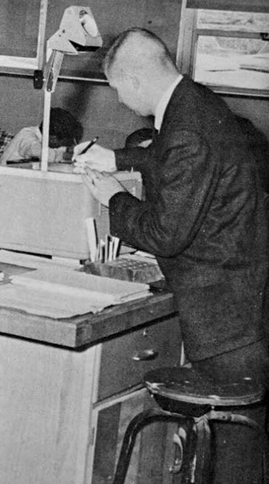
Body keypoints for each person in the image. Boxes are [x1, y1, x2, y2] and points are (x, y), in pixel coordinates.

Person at [75, 28, 269, 483]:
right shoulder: (195, 103)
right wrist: (120, 159)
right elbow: (176, 161)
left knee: (233, 459)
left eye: (119, 88)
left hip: (226, 320)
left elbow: (164, 233)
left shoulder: (184, 127)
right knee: (243, 448)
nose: (121, 100)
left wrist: (114, 199)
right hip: (245, 301)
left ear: (136, 80)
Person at [0, 108, 83, 164]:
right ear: (53, 138)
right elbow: (39, 151)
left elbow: (53, 149)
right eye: (63, 143)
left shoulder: (43, 136)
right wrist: (65, 155)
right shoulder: (27, 135)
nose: (63, 145)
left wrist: (70, 150)